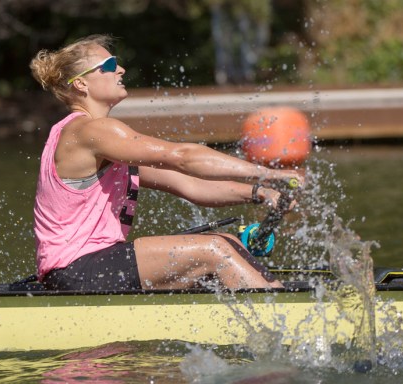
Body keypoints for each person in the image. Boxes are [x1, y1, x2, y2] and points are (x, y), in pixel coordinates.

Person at [29, 34, 304, 291]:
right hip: (77, 269)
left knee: (228, 242)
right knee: (213, 250)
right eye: (109, 65)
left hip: (94, 264)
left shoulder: (105, 144)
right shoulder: (91, 131)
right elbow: (182, 157)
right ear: (81, 83)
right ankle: (281, 312)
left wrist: (258, 193)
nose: (121, 69)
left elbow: (190, 184)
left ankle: (271, 295)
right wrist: (266, 173)